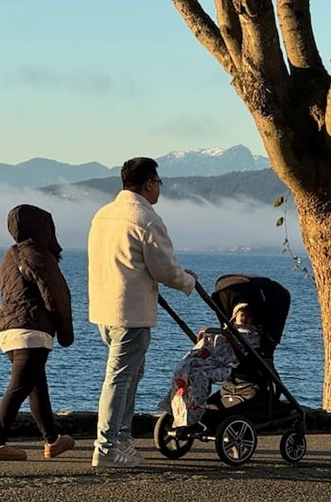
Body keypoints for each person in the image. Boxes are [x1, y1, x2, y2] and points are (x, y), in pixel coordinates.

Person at [87, 156, 197, 468]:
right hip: (130, 311)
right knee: (120, 378)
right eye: (158, 183)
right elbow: (165, 268)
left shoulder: (103, 215)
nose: (159, 189)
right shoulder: (146, 219)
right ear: (148, 183)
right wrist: (187, 281)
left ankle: (122, 439)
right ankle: (106, 446)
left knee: (131, 373)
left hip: (104, 307)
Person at [0, 204, 76, 461]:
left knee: (36, 385)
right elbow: (57, 296)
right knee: (20, 386)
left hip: (7, 330)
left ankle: (53, 440)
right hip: (32, 331)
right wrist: (66, 334)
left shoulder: (8, 256)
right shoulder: (38, 255)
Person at [159, 302, 262, 428]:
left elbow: (246, 347)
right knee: (183, 370)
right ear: (235, 316)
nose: (245, 319)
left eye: (248, 316)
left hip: (230, 362)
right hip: (214, 358)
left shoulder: (252, 333)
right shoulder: (227, 330)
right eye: (242, 315)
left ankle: (195, 410)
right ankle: (179, 404)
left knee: (200, 375)